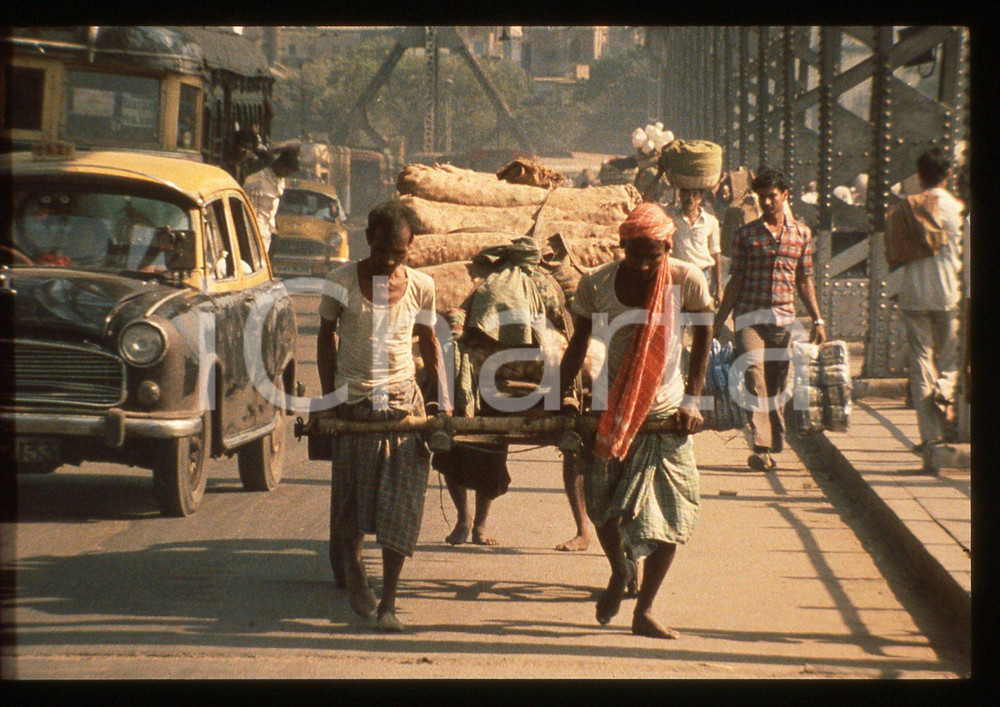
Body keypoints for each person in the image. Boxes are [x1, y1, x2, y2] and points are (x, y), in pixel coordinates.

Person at [558, 202, 713, 639]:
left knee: (671, 517)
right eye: (635, 255)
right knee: (602, 507)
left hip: (666, 410)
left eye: (654, 256)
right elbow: (577, 344)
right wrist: (555, 400)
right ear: (621, 247)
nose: (644, 265)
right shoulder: (597, 284)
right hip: (610, 407)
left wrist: (693, 400)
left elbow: (703, 334)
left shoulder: (687, 280)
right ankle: (620, 570)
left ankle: (644, 609)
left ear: (669, 247)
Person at [316, 201, 448, 632]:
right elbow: (325, 340)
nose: (390, 261)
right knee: (352, 509)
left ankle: (388, 602)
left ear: (410, 249)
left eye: (400, 253)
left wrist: (442, 401)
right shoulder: (339, 282)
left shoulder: (421, 286)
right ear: (368, 237)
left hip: (403, 406)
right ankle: (354, 572)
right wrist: (331, 400)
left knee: (402, 509)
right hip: (355, 406)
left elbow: (429, 343)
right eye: (383, 250)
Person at [714, 167, 826, 472]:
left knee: (776, 384)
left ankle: (774, 440)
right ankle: (761, 447)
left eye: (771, 197)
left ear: (784, 196)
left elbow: (805, 280)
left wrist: (818, 319)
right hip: (749, 319)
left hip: (782, 322)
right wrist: (719, 319)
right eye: (760, 197)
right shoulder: (746, 235)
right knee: (754, 377)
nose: (765, 203)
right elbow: (735, 281)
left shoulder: (801, 234)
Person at [895, 147, 964, 455]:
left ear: (919, 175)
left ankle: (931, 438)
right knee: (951, 359)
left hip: (913, 293)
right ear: (948, 175)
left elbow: (893, 252)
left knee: (922, 362)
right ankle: (945, 388)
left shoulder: (906, 207)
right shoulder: (956, 209)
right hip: (949, 292)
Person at [667, 188, 723, 307]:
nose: (690, 198)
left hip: (703, 275)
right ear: (680, 196)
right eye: (686, 193)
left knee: (700, 317)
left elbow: (715, 253)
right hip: (677, 275)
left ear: (700, 198)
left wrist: (719, 288)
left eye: (694, 195)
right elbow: (648, 201)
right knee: (677, 317)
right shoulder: (672, 218)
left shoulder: (711, 221)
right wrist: (659, 174)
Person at [244, 146, 299, 256]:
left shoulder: (279, 180)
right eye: (286, 171)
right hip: (254, 230)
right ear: (279, 165)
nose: (286, 175)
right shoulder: (257, 179)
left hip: (268, 229)